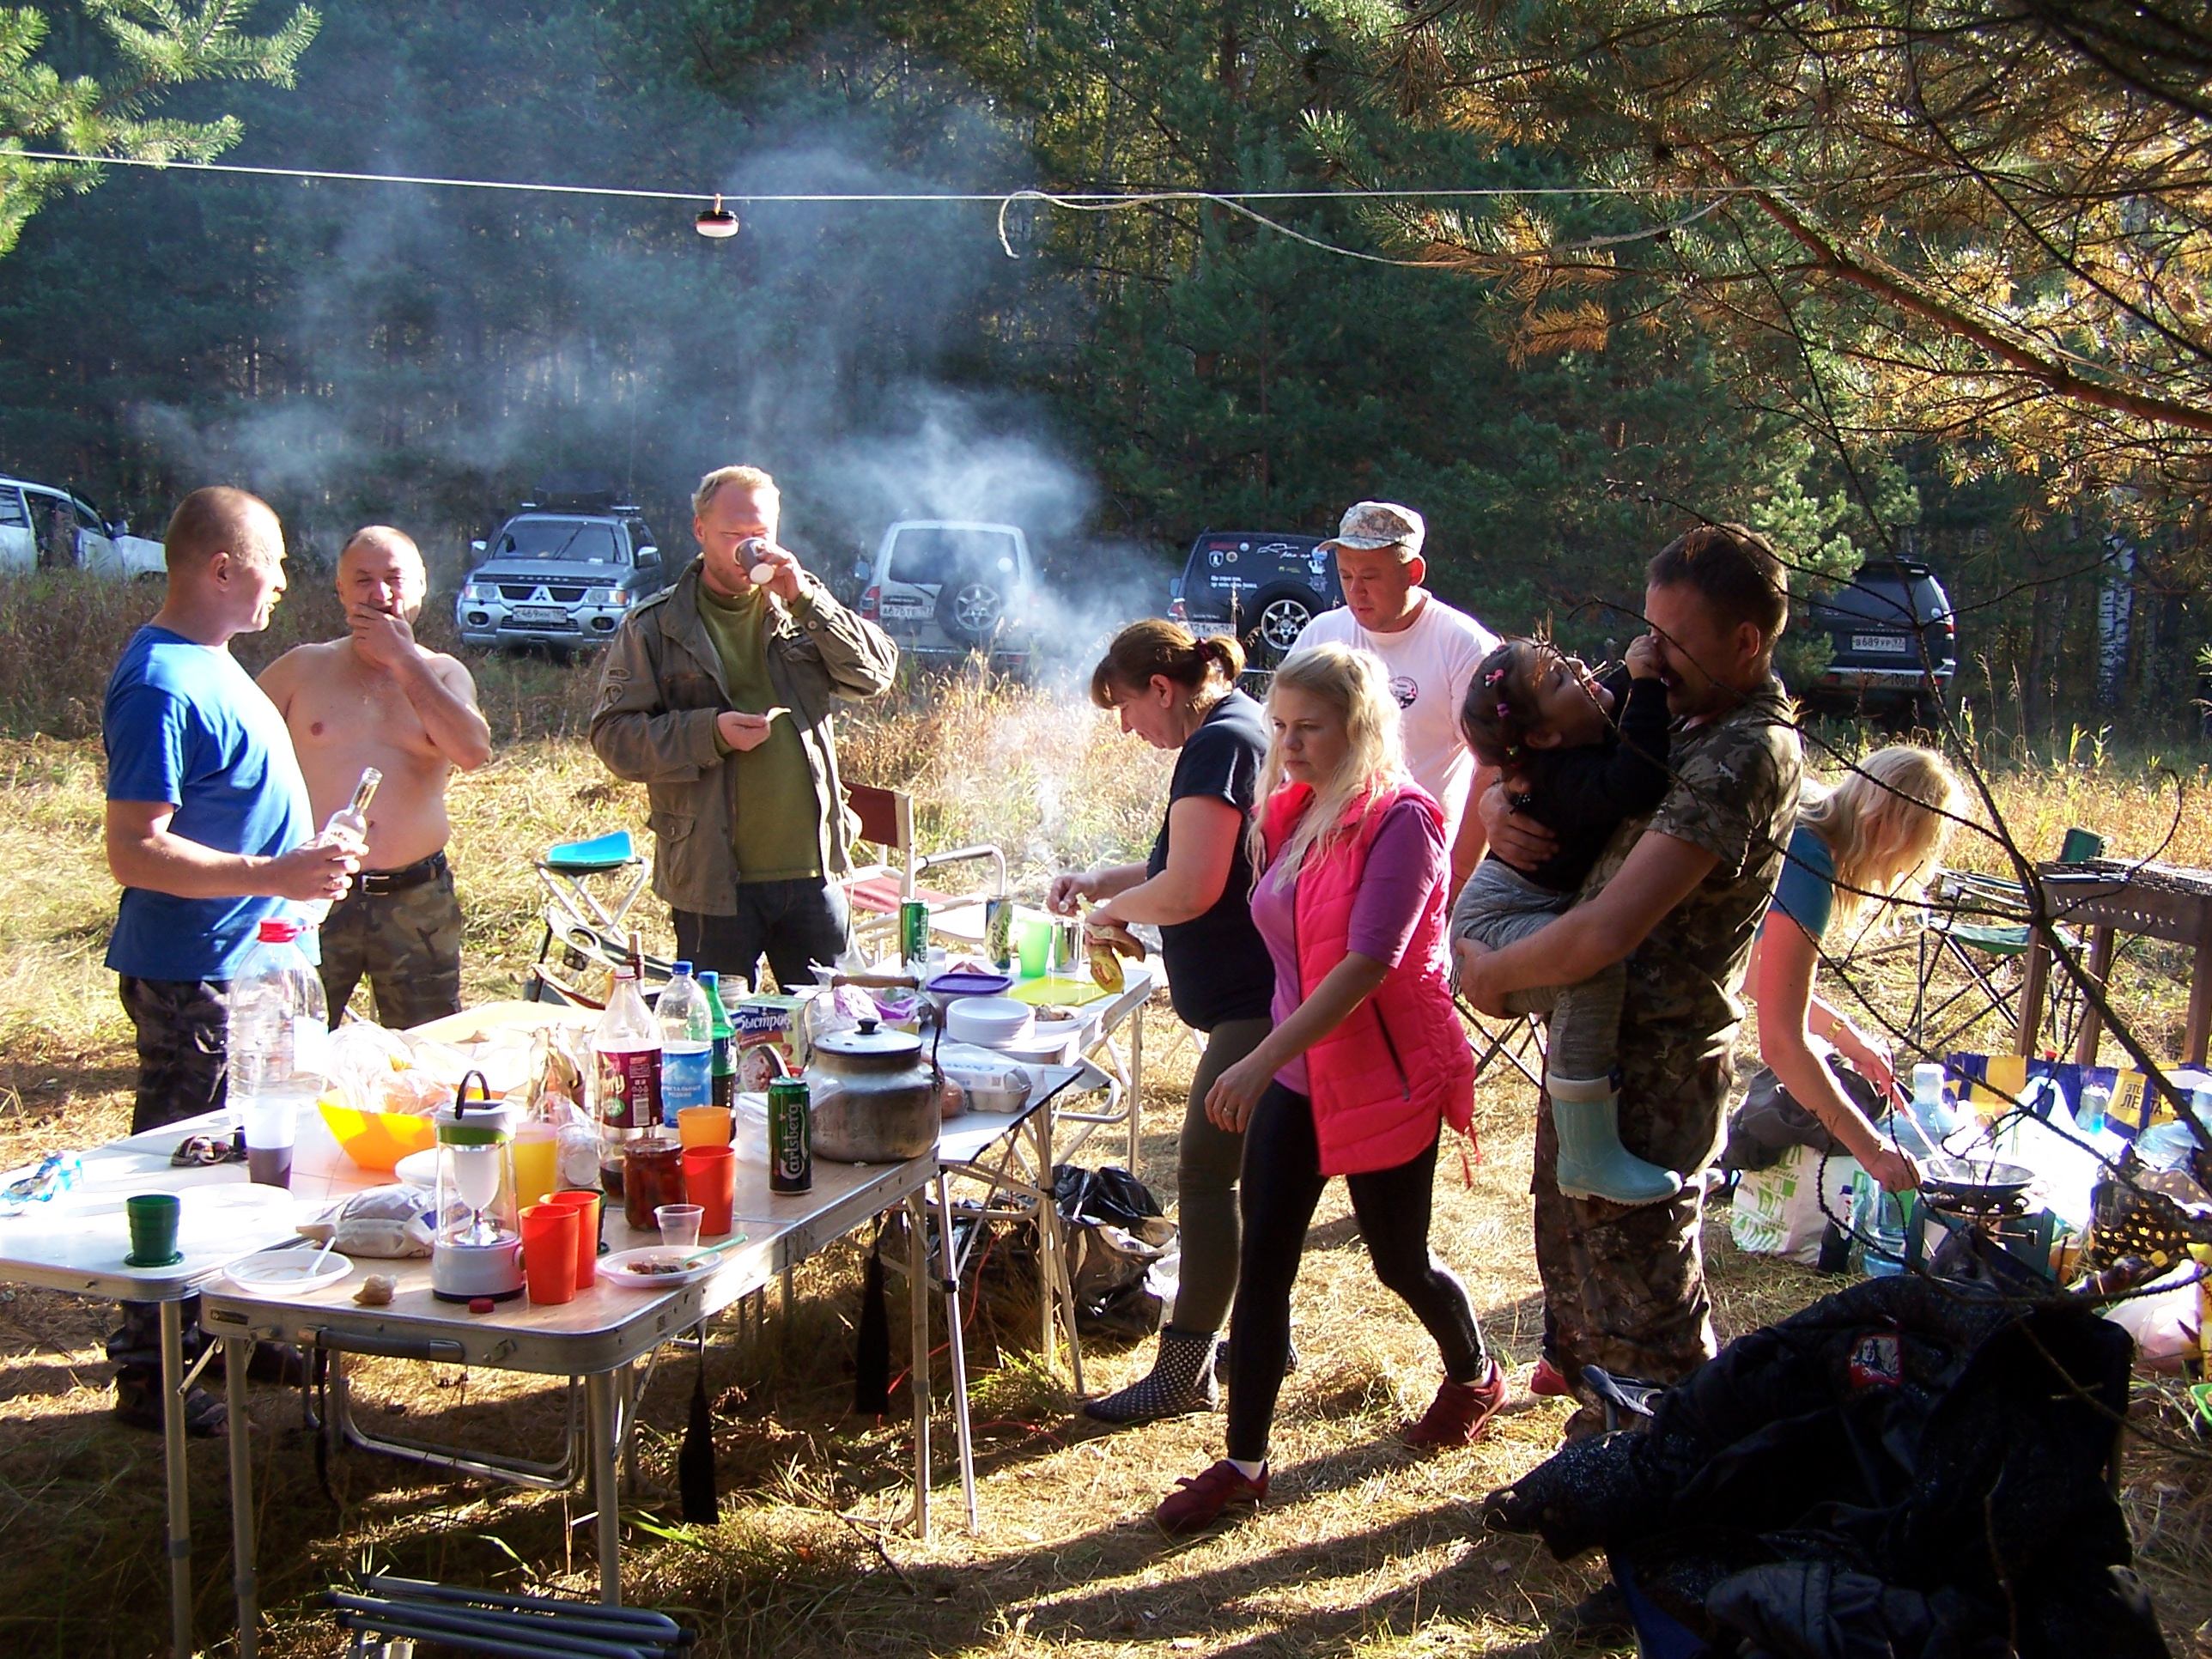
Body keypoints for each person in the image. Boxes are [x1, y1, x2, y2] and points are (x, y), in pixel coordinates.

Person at [1457, 523, 1802, 1439]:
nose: (1646, 654)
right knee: (1577, 1284)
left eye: (1673, 639)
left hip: (1657, 1070)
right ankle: (1599, 1450)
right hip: (1590, 1049)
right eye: (1646, 629)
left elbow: (1609, 931)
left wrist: (1489, 972)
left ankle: (1667, 1477)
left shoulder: (1743, 750)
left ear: (1745, 642)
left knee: (1647, 1314)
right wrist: (1499, 798)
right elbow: (1527, 734)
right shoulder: (1673, 698)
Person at [1155, 643, 1500, 1535]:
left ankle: (1474, 1373)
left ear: (1361, 727)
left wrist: (1255, 1057)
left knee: (1398, 1261)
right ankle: (1244, 1464)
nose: (1290, 744)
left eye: (1309, 728)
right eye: (1280, 726)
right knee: (1266, 1261)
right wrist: (1126, 902)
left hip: (1382, 1075)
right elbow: (1268, 929)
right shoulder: (1293, 810)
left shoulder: (1404, 821)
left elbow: (1366, 963)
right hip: (1300, 1075)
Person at [101, 486, 362, 1434]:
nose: (284, 583)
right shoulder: (159, 682)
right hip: (196, 974)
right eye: (275, 564)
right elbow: (135, 849)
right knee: (188, 1170)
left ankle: (236, 1332)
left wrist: (307, 866)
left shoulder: (215, 664)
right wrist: (273, 871)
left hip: (259, 967)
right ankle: (151, 1371)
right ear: (222, 568)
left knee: (260, 1158)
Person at [1048, 621, 1274, 1425]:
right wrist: (1099, 881)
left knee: (1208, 1177)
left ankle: (1183, 1374)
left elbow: (1190, 889)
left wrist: (1107, 914)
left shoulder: (1221, 743)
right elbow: (1180, 864)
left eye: (1125, 706)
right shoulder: (1229, 730)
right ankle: (1261, 1336)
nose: (1124, 727)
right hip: (1255, 998)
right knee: (1261, 1182)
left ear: (1162, 688)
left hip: (1258, 1002)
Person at [590, 465, 897, 992]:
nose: (747, 548)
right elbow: (615, 738)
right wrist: (710, 733)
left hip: (812, 870)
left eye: (760, 534)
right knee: (720, 1028)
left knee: (837, 1021)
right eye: (732, 534)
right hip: (713, 881)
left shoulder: (802, 606)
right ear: (700, 530)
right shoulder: (657, 626)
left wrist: (807, 600)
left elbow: (875, 675)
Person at [1450, 633, 1679, 1204]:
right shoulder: (1558, 775)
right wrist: (1647, 685)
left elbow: (1618, 685)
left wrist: (1640, 671)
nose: (1579, 665)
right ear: (1545, 736)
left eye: (1564, 659)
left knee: (1587, 964)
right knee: (1589, 969)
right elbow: (1637, 782)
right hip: (1495, 919)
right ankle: (1585, 1154)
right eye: (1559, 677)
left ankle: (1587, 1150)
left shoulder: (1580, 723)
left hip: (1522, 906)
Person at [260, 526, 491, 1028]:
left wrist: (403, 660)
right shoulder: (302, 668)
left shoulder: (443, 673)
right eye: (363, 580)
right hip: (314, 891)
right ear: (341, 590)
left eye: (394, 578)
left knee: (428, 1045)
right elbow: (231, 753)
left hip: (415, 896)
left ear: (421, 586)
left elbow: (473, 751)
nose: (380, 593)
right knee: (295, 1037)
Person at [1747, 744, 1966, 1189]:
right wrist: (1875, 1152)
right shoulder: (1807, 861)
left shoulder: (1805, 805)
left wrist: (1847, 1037)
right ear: (1890, 830)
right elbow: (1782, 1045)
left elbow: (1749, 970)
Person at [1285, 501, 1498, 894]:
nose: (1356, 591)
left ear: (1413, 572)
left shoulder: (1462, 645)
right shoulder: (1321, 635)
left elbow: (1492, 767)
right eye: (1346, 575)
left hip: (1413, 865)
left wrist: (1458, 876)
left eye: (1370, 576)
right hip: (1319, 863)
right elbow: (1279, 741)